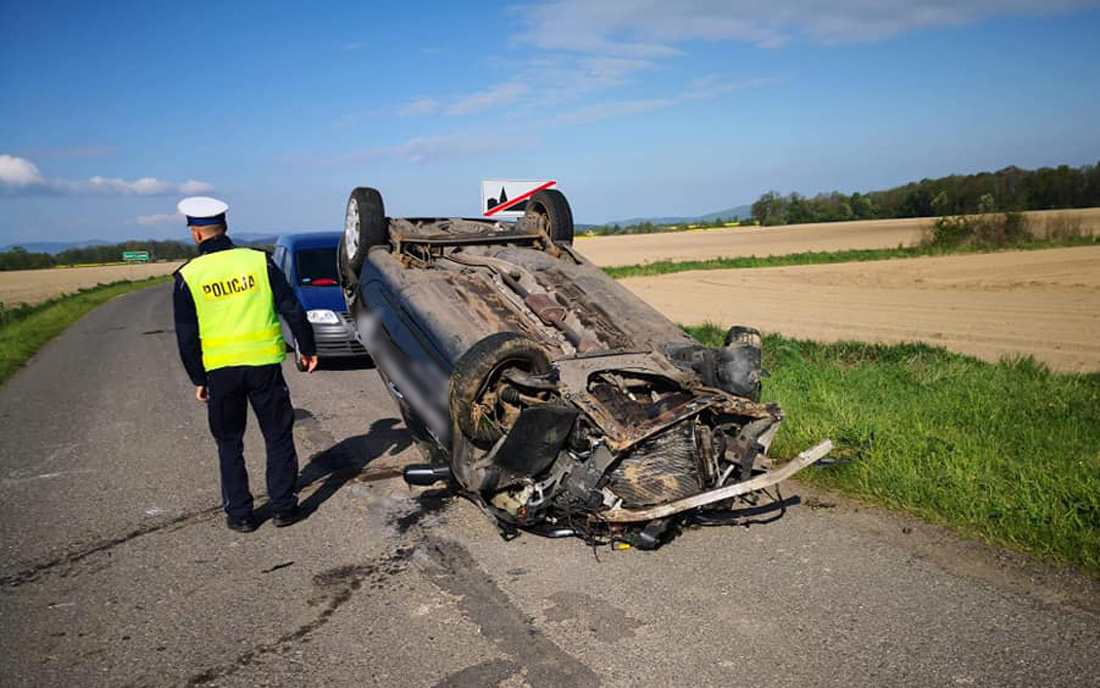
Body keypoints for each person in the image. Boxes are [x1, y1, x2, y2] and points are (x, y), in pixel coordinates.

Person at [172, 196, 318, 533]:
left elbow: (186, 336)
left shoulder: (188, 275)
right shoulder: (259, 262)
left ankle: (240, 514)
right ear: (225, 226)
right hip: (264, 366)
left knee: (229, 443)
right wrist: (306, 347)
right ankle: (284, 508)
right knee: (277, 435)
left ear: (196, 233)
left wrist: (198, 378)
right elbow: (291, 307)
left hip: (220, 372)